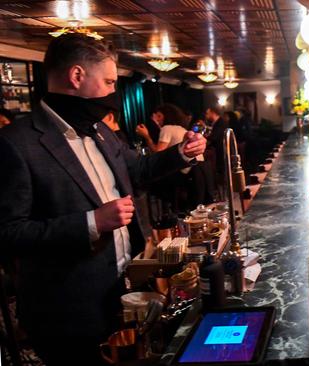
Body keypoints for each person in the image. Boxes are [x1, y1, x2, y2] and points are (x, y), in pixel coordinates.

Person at [0, 33, 206, 365]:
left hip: (124, 289)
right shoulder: (15, 143)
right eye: (109, 81)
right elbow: (8, 234)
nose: (113, 92)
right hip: (68, 308)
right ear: (77, 76)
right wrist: (92, 222)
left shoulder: (99, 130)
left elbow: (137, 169)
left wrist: (181, 153)